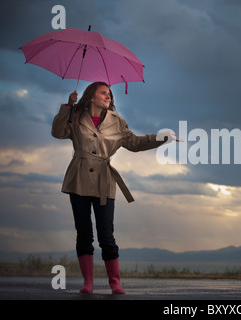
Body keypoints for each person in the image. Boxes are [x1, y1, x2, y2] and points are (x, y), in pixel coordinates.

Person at [52, 81, 179, 294]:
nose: (108, 96)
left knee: (106, 235)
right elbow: (58, 132)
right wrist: (67, 106)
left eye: (109, 93)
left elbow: (135, 143)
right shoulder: (75, 116)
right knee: (83, 234)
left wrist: (162, 138)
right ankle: (88, 284)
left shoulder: (117, 122)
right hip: (78, 178)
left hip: (104, 180)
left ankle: (115, 283)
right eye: (103, 93)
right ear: (91, 96)